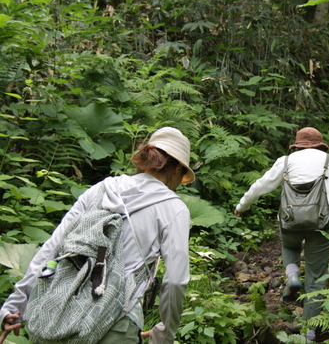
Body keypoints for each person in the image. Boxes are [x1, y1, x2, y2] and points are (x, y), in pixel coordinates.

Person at [0, 127, 194, 344]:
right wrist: (164, 334)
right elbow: (176, 280)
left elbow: (52, 248)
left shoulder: (101, 189)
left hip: (59, 318)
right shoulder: (174, 208)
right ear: (177, 167)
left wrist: (14, 305)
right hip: (117, 324)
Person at [234, 127, 329, 343]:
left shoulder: (285, 162)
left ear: (297, 144)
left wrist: (242, 205)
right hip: (322, 225)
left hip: (290, 222)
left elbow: (261, 186)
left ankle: (293, 275)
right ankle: (309, 333)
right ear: (320, 144)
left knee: (289, 247)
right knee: (315, 280)